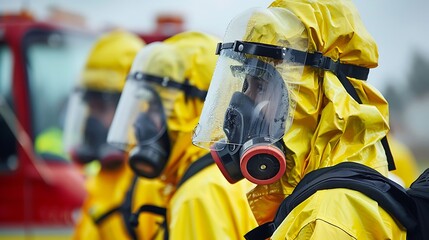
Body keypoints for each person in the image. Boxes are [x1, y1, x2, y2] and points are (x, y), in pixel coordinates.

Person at [192, 0, 409, 239]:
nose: (245, 100)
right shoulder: (320, 199)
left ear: (318, 97)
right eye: (246, 84)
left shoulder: (327, 219)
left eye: (261, 85)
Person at [108, 31, 258, 239]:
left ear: (192, 109)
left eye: (154, 106)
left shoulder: (198, 196)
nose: (141, 121)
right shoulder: (232, 178)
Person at [63, 30, 166, 240]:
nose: (91, 121)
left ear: (130, 109)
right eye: (89, 108)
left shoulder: (149, 185)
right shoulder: (103, 177)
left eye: (100, 108)